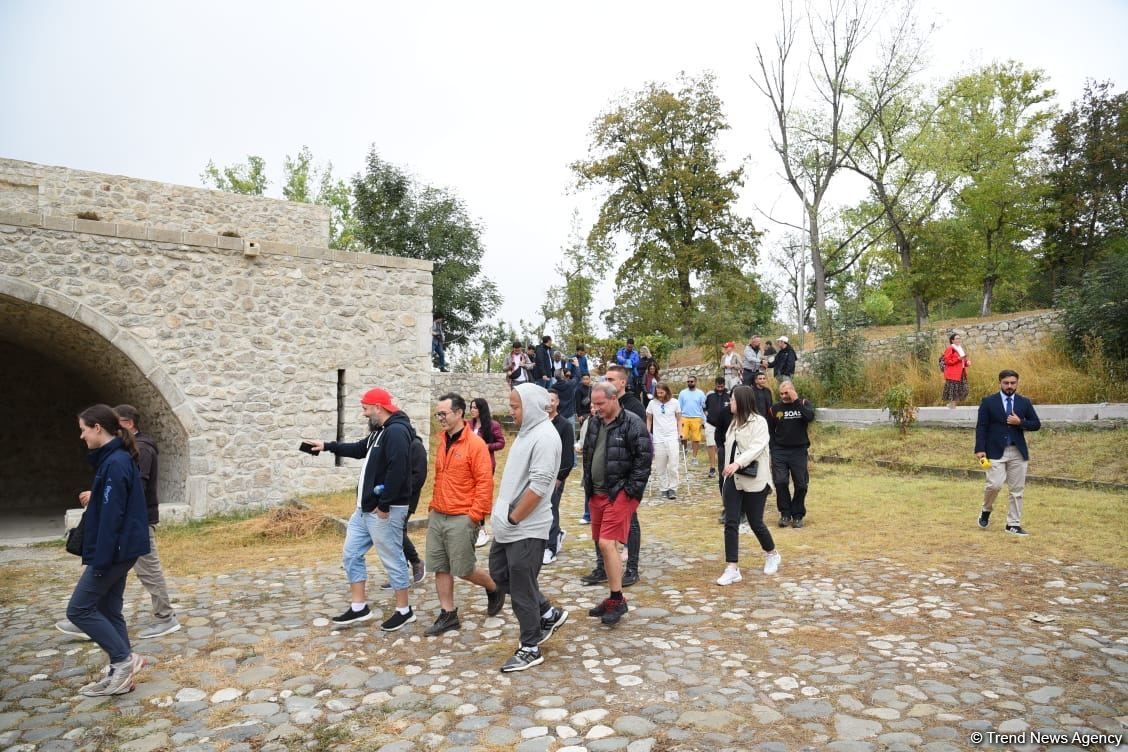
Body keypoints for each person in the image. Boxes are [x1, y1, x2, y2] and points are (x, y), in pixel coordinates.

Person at [56, 405, 180, 641]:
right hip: (130, 525)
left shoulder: (139, 450)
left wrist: (100, 494)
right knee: (114, 581)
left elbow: (134, 487)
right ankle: (94, 619)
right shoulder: (123, 453)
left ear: (129, 423)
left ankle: (165, 618)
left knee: (149, 571)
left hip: (136, 524)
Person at [308, 388, 418, 632]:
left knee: (392, 557)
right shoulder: (380, 432)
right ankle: (359, 608)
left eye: (366, 408)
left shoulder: (397, 432)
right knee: (351, 554)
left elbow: (398, 470)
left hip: (383, 510)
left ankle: (404, 610)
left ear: (378, 407)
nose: (364, 413)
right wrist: (326, 446)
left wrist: (384, 504)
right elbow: (358, 449)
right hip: (364, 510)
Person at [68, 404, 151, 696]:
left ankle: (123, 660)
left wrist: (100, 559)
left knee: (78, 609)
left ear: (97, 428)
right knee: (108, 608)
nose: (82, 436)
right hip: (122, 548)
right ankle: (121, 674)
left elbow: (112, 515)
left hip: (116, 550)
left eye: (83, 430)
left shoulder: (115, 462)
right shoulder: (113, 460)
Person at [490, 384, 569, 672]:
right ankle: (547, 612)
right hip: (508, 527)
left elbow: (538, 487)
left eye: (515, 407)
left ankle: (530, 647)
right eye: (511, 406)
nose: (511, 413)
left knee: (522, 589)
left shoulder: (546, 437)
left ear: (533, 406)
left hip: (526, 527)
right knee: (500, 575)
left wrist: (513, 518)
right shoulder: (527, 433)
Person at [423, 393, 504, 636]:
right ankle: (448, 615)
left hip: (462, 516)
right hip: (438, 512)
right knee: (440, 566)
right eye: (438, 414)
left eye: (443, 414)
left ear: (459, 414)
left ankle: (493, 587)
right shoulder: (442, 441)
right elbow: (440, 477)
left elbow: (484, 483)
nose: (440, 419)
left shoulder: (475, 445)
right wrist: (432, 507)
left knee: (463, 568)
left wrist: (475, 516)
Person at [582, 382, 651, 626]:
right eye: (594, 403)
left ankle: (617, 599)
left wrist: (630, 492)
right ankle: (614, 596)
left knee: (607, 543)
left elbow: (644, 459)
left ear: (613, 399)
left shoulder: (633, 423)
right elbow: (589, 454)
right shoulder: (594, 423)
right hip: (597, 493)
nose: (596, 408)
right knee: (601, 544)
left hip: (619, 493)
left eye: (600, 404)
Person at [586, 365, 643, 587]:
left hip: (623, 486)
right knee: (600, 534)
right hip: (600, 486)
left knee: (632, 524)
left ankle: (631, 569)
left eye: (610, 378)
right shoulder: (597, 416)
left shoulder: (634, 409)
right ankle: (602, 567)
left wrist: (631, 488)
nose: (606, 380)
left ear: (622, 383)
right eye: (605, 377)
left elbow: (640, 451)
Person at [718, 385, 781, 585]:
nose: (730, 402)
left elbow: (756, 448)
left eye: (733, 399)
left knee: (756, 522)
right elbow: (730, 448)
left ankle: (772, 553)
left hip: (755, 480)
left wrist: (737, 463)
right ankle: (732, 567)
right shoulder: (733, 423)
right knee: (731, 522)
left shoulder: (759, 422)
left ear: (743, 401)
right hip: (733, 480)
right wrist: (727, 468)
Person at [975, 370, 1041, 535]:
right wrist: (980, 449)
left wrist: (1020, 422)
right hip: (994, 451)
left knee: (1017, 490)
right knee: (994, 485)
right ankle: (986, 509)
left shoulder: (1024, 402)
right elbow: (981, 426)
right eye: (1006, 383)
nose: (1010, 386)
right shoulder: (989, 402)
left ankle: (1013, 524)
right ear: (1000, 383)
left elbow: (1036, 424)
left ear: (1017, 383)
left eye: (1013, 383)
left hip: (1018, 452)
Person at [770, 381, 815, 529]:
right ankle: (785, 513)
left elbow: (809, 417)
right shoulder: (775, 408)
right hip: (780, 451)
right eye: (781, 393)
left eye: (787, 393)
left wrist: (796, 401)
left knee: (801, 484)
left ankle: (797, 515)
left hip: (798, 450)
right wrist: (772, 448)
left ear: (793, 391)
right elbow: (769, 429)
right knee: (781, 482)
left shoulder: (803, 403)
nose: (784, 396)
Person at [544, 391, 575, 563]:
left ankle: (551, 547)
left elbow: (568, 456)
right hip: (540, 473)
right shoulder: (539, 423)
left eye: (552, 400)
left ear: (557, 403)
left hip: (556, 475)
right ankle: (557, 534)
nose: (549, 403)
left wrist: (560, 478)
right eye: (546, 400)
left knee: (551, 508)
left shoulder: (564, 425)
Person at [645, 382, 681, 499]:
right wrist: (647, 433)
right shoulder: (652, 403)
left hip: (672, 437)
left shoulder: (675, 402)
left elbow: (679, 419)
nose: (659, 395)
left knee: (673, 465)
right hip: (658, 438)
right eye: (657, 392)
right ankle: (664, 488)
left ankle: (673, 488)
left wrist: (680, 432)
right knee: (660, 466)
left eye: (662, 392)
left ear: (667, 391)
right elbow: (649, 419)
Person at [704, 376, 733, 500]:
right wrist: (707, 417)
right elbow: (704, 407)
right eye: (718, 385)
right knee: (711, 445)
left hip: (726, 427)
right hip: (711, 424)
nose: (720, 387)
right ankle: (712, 467)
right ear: (715, 385)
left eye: (722, 385)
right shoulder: (710, 395)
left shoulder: (729, 395)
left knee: (722, 448)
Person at [678, 375, 707, 464]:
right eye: (688, 382)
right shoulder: (682, 393)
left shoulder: (700, 393)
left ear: (695, 382)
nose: (690, 383)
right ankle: (684, 451)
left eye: (692, 381)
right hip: (684, 417)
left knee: (696, 439)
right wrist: (678, 418)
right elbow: (679, 406)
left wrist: (704, 420)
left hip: (696, 418)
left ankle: (694, 457)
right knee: (683, 437)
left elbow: (704, 407)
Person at [942, 333, 972, 409]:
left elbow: (962, 361)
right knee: (954, 390)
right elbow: (947, 361)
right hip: (953, 373)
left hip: (961, 372)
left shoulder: (960, 348)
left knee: (964, 389)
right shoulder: (950, 349)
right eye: (957, 338)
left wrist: (966, 363)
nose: (959, 340)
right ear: (952, 340)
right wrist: (958, 359)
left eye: (959, 338)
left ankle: (951, 405)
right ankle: (952, 406)